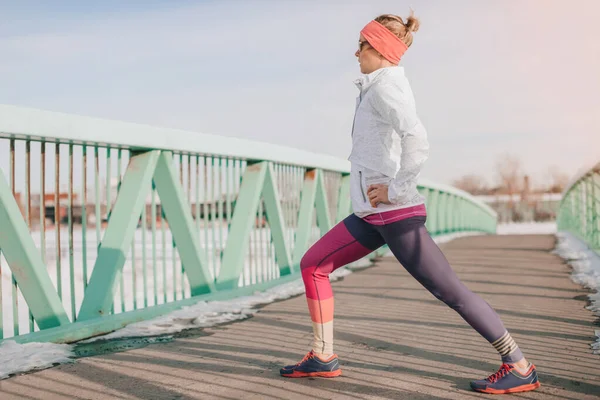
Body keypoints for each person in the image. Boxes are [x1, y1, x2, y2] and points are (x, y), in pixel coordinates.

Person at [279, 12, 540, 394]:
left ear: (381, 48)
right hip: (371, 216)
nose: (356, 52)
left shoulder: (387, 89)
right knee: (313, 264)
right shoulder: (376, 87)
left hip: (395, 214)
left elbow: (417, 139)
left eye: (363, 45)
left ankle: (519, 364)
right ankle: (323, 355)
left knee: (451, 291)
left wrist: (395, 190)